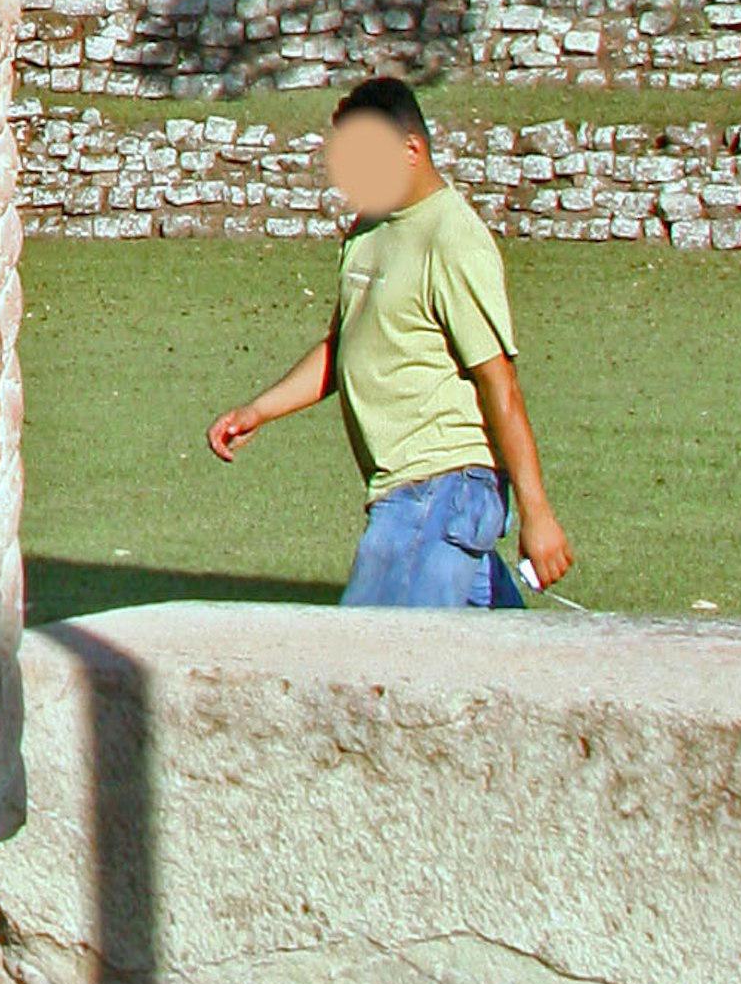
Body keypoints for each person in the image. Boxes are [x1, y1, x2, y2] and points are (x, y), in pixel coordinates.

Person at [207, 75, 575, 608]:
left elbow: (501, 383)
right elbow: (344, 345)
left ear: (411, 149)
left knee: (371, 657)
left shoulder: (452, 238)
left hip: (439, 488)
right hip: (407, 496)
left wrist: (537, 515)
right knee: (491, 667)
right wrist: (258, 410)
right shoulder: (367, 231)